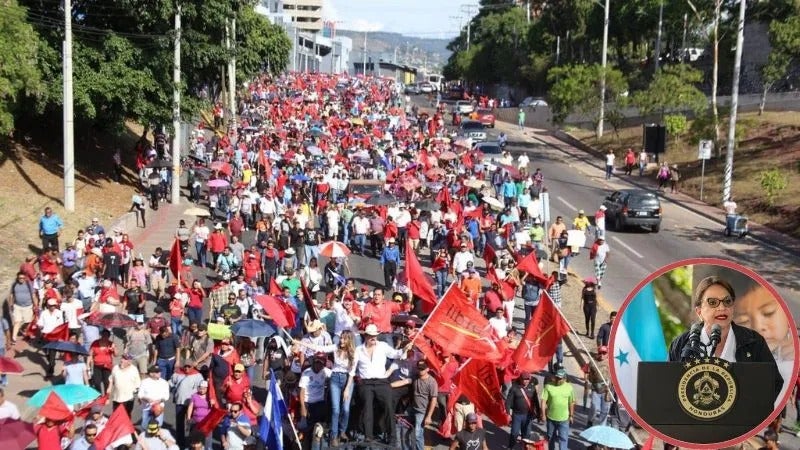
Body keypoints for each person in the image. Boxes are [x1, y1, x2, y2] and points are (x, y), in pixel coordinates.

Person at [668, 276, 783, 398]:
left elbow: (774, 383)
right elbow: (668, 386)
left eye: (727, 301)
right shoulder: (681, 345)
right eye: (713, 302)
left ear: (733, 307)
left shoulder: (753, 341)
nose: (722, 308)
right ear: (699, 311)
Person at [355, 324, 412, 444]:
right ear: (365, 336)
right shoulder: (358, 349)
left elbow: (395, 354)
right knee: (367, 407)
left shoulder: (383, 346)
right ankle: (368, 436)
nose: (373, 338)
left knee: (389, 406)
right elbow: (352, 368)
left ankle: (392, 438)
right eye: (371, 336)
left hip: (381, 381)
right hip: (366, 383)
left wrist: (404, 349)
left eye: (375, 335)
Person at [407, 360, 438, 450]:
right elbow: (406, 382)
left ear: (427, 369)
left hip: (422, 411)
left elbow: (434, 400)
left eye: (423, 369)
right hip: (412, 408)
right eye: (419, 368)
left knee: (417, 434)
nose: (420, 370)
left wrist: (429, 416)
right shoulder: (415, 377)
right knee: (409, 431)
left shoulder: (432, 382)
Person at [506, 372, 542, 448]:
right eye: (524, 379)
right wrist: (508, 413)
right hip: (517, 415)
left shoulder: (532, 388)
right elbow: (508, 402)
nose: (526, 381)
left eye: (527, 379)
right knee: (514, 433)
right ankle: (510, 447)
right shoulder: (514, 388)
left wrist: (539, 414)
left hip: (528, 415)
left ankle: (524, 447)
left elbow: (536, 402)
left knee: (526, 434)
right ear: (520, 379)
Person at [541, 368, 574, 450]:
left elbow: (571, 402)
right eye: (557, 377)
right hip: (551, 418)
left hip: (564, 419)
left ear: (564, 378)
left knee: (563, 439)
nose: (558, 380)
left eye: (560, 378)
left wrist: (571, 415)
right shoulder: (548, 386)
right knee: (550, 437)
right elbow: (543, 401)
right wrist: (543, 415)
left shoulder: (569, 387)